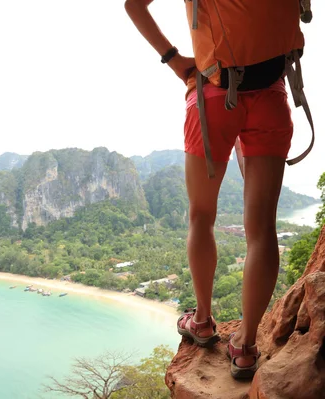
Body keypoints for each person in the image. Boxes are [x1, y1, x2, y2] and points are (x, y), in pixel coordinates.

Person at [124, 0, 306, 380]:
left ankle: (203, 320)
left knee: (201, 215)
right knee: (262, 228)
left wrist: (173, 58)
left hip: (212, 96)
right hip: (271, 95)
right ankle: (245, 344)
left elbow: (133, 5)